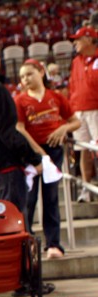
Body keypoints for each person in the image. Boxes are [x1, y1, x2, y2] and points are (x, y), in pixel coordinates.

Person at [0, 39, 54, 297]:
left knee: (0, 227)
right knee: (16, 226)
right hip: (3, 166)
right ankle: (22, 281)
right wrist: (32, 157)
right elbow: (8, 133)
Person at [14, 59, 80, 259]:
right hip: (31, 154)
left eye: (29, 74)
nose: (25, 79)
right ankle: (26, 241)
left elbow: (75, 121)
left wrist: (63, 128)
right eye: (22, 76)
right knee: (30, 198)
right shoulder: (20, 100)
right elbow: (19, 128)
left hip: (54, 151)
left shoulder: (56, 97)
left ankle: (54, 244)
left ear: (41, 72)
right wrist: (36, 152)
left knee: (51, 197)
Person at [68, 26, 98, 203]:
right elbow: (72, 87)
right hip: (79, 111)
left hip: (96, 110)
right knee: (84, 151)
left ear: (89, 39)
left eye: (78, 39)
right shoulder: (76, 62)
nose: (75, 43)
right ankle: (86, 190)